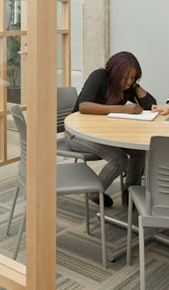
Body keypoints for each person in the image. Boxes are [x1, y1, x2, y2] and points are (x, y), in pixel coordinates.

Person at [65, 51, 156, 207]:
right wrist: (122, 109)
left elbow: (150, 105)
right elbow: (84, 106)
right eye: (125, 77)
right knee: (119, 160)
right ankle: (94, 192)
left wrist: (134, 85)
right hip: (78, 134)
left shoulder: (127, 87)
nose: (128, 81)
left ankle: (131, 191)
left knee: (139, 151)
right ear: (115, 72)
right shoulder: (99, 76)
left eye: (132, 77)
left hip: (105, 134)